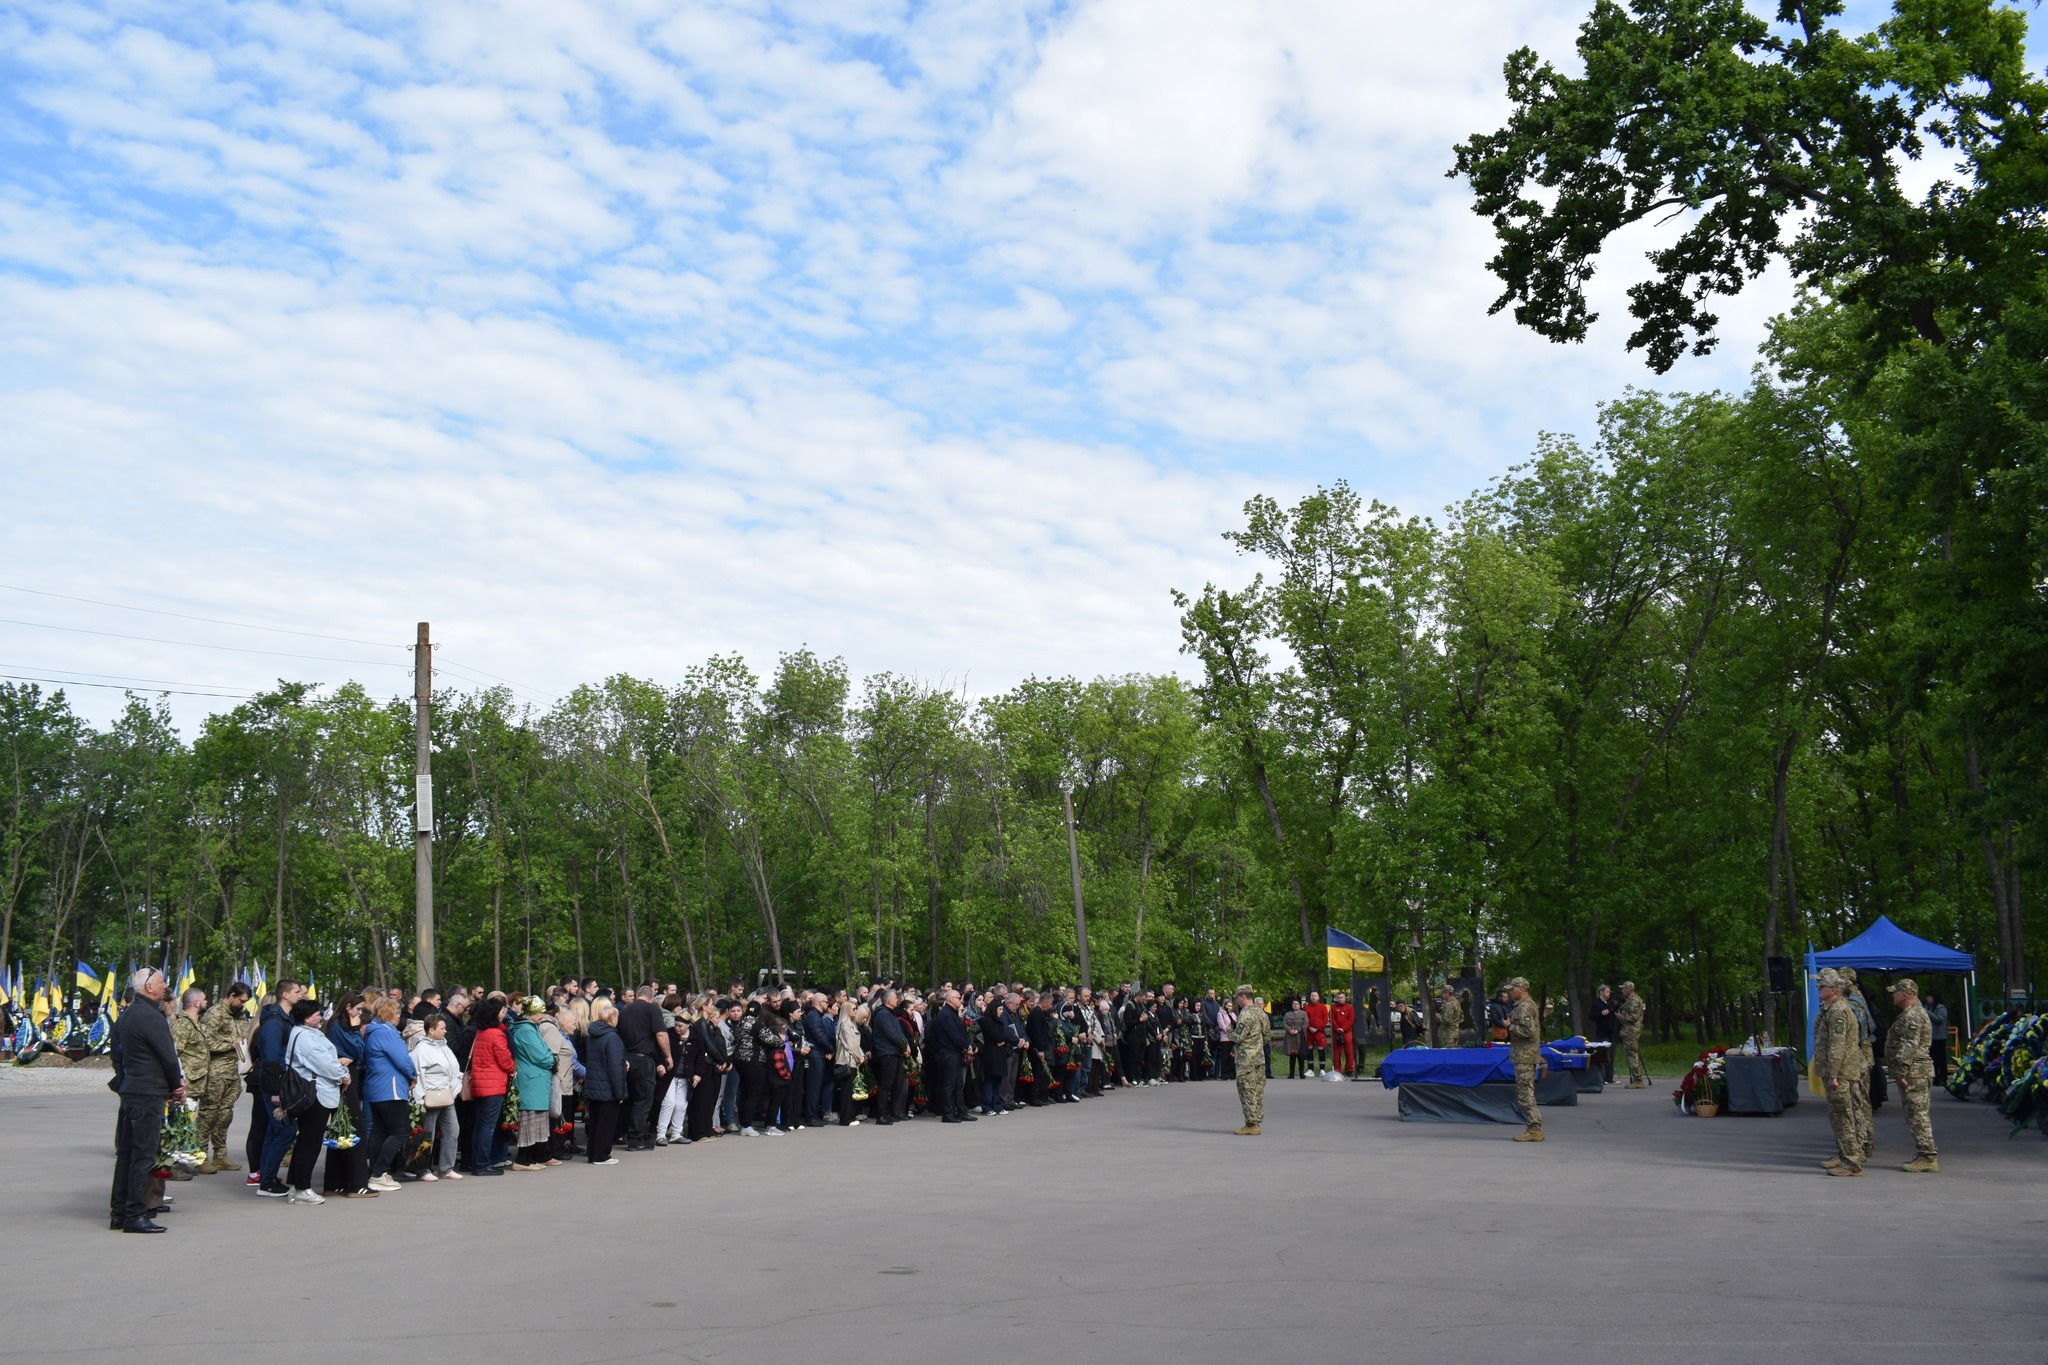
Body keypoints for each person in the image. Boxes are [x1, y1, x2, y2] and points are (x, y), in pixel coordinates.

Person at [110, 968, 184, 1232]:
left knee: (127, 1154)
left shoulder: (128, 1014)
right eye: (162, 982)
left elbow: (117, 1054)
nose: (165, 986)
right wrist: (177, 1085)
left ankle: (119, 1213)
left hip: (132, 1088)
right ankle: (135, 1215)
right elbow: (168, 1056)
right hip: (148, 1091)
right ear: (149, 986)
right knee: (143, 1155)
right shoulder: (151, 1016)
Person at [281, 998, 348, 1206]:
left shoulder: (307, 1033)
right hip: (315, 1093)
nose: (320, 1017)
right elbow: (323, 1062)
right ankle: (302, 1188)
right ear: (307, 1017)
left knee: (305, 1141)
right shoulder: (304, 1036)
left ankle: (296, 1185)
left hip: (317, 1091)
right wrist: (343, 1075)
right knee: (309, 1143)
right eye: (317, 1014)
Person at [252, 979, 306, 1194]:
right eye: (297, 992)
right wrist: (275, 1091)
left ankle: (267, 1178)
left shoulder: (286, 1019)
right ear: (285, 994)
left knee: (274, 1132)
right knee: (285, 1131)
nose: (300, 995)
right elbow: (271, 1058)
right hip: (276, 1085)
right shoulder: (275, 1022)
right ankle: (267, 1181)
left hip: (282, 1082)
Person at [362, 998, 418, 1191]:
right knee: (399, 1132)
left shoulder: (373, 1032)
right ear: (389, 1014)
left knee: (379, 1132)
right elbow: (402, 1058)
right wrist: (413, 1074)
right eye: (397, 1013)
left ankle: (375, 1172)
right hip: (390, 1088)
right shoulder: (386, 1032)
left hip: (376, 1088)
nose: (399, 1017)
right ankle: (379, 1173)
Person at [196, 982, 251, 1173]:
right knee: (208, 1116)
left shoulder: (241, 1015)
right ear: (231, 995)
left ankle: (220, 1155)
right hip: (215, 1073)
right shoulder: (214, 1014)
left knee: (225, 1116)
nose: (243, 1005)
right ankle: (200, 1156)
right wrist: (232, 1044)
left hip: (232, 1072)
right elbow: (206, 1042)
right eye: (241, 1001)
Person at [1885, 978, 1938, 1173]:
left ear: (1904, 994)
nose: (1893, 995)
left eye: (1895, 992)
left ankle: (1927, 1157)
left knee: (1918, 1116)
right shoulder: (1911, 1013)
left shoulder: (1913, 1015)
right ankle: (1924, 1154)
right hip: (1915, 1071)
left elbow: (1909, 1045)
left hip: (1914, 1072)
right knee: (1915, 1115)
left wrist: (1901, 1070)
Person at [1814, 969, 1862, 1176]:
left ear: (1833, 990)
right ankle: (1845, 1157)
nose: (1818, 987)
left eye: (1822, 985)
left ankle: (1851, 1164)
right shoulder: (1831, 1008)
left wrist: (1833, 1074)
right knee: (1838, 1117)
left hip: (1840, 1073)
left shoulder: (1839, 1011)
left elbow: (1837, 1045)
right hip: (1837, 1071)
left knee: (1843, 1118)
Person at [616, 985, 670, 1150]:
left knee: (630, 1098)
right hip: (644, 1058)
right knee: (644, 1099)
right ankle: (636, 1138)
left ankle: (626, 1132)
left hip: (627, 1057)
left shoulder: (624, 1010)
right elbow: (661, 1033)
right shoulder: (652, 1009)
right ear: (651, 997)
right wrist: (667, 1055)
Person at [410, 1013, 463, 1180]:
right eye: (442, 1028)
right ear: (431, 1030)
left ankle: (446, 1168)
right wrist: (419, 1097)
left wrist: (456, 1086)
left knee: (452, 1130)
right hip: (430, 1096)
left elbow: (452, 1069)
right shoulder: (421, 1050)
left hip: (446, 1095)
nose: (445, 1031)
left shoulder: (444, 1046)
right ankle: (422, 1169)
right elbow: (418, 1075)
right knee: (427, 1133)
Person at [509, 997, 559, 1170]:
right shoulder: (526, 1031)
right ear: (531, 1013)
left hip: (535, 1080)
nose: (542, 1016)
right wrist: (553, 1060)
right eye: (539, 1013)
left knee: (536, 1122)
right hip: (532, 1081)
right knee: (530, 1121)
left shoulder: (529, 1028)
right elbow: (541, 1055)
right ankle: (522, 1160)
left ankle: (529, 1159)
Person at [466, 997, 514, 1176]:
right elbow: (505, 1060)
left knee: (480, 1126)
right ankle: (482, 1164)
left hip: (481, 1083)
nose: (503, 1014)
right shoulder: (496, 1033)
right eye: (501, 1011)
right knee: (488, 1127)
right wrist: (512, 1067)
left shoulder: (481, 1031)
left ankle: (476, 1162)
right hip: (493, 1085)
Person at [583, 1000, 627, 1165]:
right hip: (607, 1087)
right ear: (613, 1019)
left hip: (594, 1085)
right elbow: (615, 1067)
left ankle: (593, 1153)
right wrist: (620, 1093)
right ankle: (601, 1155)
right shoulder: (612, 1037)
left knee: (595, 1121)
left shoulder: (593, 1036)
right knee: (606, 1124)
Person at [170, 986, 210, 1164]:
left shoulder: (196, 1023)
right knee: (182, 1123)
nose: (206, 1002)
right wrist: (178, 1081)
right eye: (204, 999)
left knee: (188, 1122)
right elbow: (173, 1054)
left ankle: (184, 1159)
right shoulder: (183, 1025)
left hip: (196, 1084)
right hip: (187, 1084)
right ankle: (177, 1162)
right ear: (196, 1002)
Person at [1505, 977, 1544, 1142]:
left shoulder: (1525, 1006)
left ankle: (1534, 1128)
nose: (1510, 992)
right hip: (1524, 1055)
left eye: (1512, 989)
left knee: (1525, 1093)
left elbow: (1529, 1031)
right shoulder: (1523, 1005)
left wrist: (1510, 1026)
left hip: (1525, 1056)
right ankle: (1533, 1127)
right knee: (1525, 1092)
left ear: (1520, 989)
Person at [929, 988, 976, 1123]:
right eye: (958, 998)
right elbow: (954, 1036)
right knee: (949, 1084)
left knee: (958, 1084)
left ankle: (961, 1111)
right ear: (950, 999)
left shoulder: (952, 1014)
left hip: (954, 1052)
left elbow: (960, 1034)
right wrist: (968, 1046)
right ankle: (948, 1113)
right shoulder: (946, 1015)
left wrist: (968, 1045)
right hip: (948, 1053)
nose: (961, 1000)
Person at [1231, 986, 1269, 1135]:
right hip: (1259, 1058)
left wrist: (1229, 1029)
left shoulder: (1245, 1014)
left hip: (1246, 1059)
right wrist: (1256, 1045)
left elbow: (1237, 1037)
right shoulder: (1261, 1012)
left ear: (1242, 996)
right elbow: (1267, 1036)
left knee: (1247, 1090)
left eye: (1237, 997)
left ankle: (1251, 1124)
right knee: (1257, 1090)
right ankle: (1257, 1120)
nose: (1237, 1001)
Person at [868, 988, 908, 1125]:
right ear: (889, 1000)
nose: (897, 1000)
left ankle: (888, 1112)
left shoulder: (890, 1013)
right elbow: (891, 1033)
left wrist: (905, 1044)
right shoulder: (883, 1014)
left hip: (893, 1052)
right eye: (895, 998)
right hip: (887, 1053)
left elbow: (899, 1032)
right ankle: (882, 1114)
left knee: (891, 1085)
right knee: (886, 1085)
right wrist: (904, 1045)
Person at [1615, 981, 1647, 1087]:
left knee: (1632, 1056)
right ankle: (1636, 1079)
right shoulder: (1630, 1000)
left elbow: (1634, 1017)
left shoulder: (1634, 1001)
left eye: (1624, 988)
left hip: (1631, 1032)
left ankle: (1638, 1080)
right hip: (1629, 1031)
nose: (1622, 990)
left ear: (1629, 989)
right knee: (1631, 1055)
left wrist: (1621, 1017)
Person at [1590, 985, 1618, 1083]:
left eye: (1609, 992)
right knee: (1603, 1056)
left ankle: (1609, 1077)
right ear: (1601, 992)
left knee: (1611, 1055)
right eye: (1607, 992)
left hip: (1611, 1033)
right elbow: (1591, 1016)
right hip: (1602, 1033)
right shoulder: (1597, 1004)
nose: (1609, 993)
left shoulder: (1609, 1004)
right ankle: (1601, 1078)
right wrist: (1601, 1014)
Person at [1924, 989, 1950, 1086]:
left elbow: (1940, 1020)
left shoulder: (1941, 1008)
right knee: (1932, 1058)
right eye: (1927, 997)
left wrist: (1928, 1013)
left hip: (1939, 1037)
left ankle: (1943, 1077)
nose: (1928, 999)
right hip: (1930, 1036)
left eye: (1930, 997)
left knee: (1940, 1058)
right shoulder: (1927, 1006)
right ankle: (1935, 1078)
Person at [1430, 979, 1463, 1050]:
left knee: (1448, 1054)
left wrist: (1438, 1016)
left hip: (1448, 1035)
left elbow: (1447, 1021)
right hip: (1454, 1032)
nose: (1442, 995)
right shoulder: (1456, 1003)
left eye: (1443, 993)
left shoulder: (1449, 1005)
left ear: (1447, 993)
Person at [1280, 998, 1307, 1077]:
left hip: (1300, 1036)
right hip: (1290, 1036)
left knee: (1300, 1055)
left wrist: (1298, 1030)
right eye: (1294, 1004)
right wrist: (1289, 1030)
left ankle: (1301, 1073)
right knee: (1292, 1055)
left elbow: (1306, 1024)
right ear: (1292, 1005)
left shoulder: (1303, 1013)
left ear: (1299, 1005)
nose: (1295, 1005)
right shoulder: (1287, 1014)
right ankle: (1291, 1073)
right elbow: (1284, 1024)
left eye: (1297, 1004)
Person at [1330, 991, 1355, 1077]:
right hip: (1336, 1032)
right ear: (1336, 999)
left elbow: (1350, 1020)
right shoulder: (1333, 1007)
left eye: (1342, 997)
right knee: (1336, 1052)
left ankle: (1349, 1069)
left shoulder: (1350, 1007)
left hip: (1347, 1032)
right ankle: (1337, 1069)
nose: (1340, 999)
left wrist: (1343, 1029)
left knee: (1349, 1051)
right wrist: (1337, 1028)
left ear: (1345, 998)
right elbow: (1332, 1019)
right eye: (1338, 998)